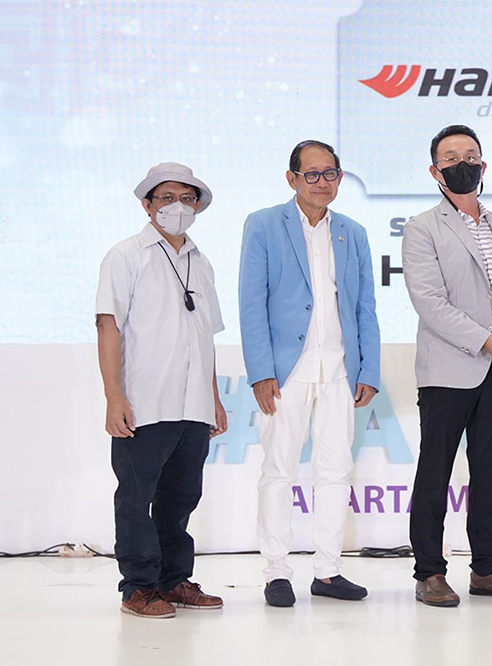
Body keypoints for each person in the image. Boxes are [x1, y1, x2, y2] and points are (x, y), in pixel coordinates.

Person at [239, 140, 380, 607]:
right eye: (312, 174)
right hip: (285, 371)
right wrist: (260, 370)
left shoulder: (353, 232)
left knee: (335, 471)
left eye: (330, 173)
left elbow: (365, 306)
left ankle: (328, 571)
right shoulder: (263, 225)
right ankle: (277, 572)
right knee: (278, 470)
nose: (322, 182)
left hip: (340, 367)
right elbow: (251, 302)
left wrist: (369, 368)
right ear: (292, 178)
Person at [401, 125, 492, 607]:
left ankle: (487, 568)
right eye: (452, 157)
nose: (464, 163)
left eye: (471, 155)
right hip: (449, 369)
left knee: (491, 474)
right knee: (434, 473)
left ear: (484, 165)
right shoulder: (422, 227)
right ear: (435, 171)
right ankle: (430, 572)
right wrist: (484, 339)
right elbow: (429, 302)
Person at [97, 163, 227, 618]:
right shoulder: (126, 255)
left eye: (187, 198)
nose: (178, 207)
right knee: (136, 497)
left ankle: (173, 581)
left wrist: (213, 399)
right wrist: (114, 397)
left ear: (198, 206)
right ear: (147, 204)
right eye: (167, 198)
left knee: (181, 497)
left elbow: (204, 335)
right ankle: (138, 587)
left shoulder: (201, 262)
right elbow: (108, 326)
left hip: (193, 404)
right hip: (144, 401)